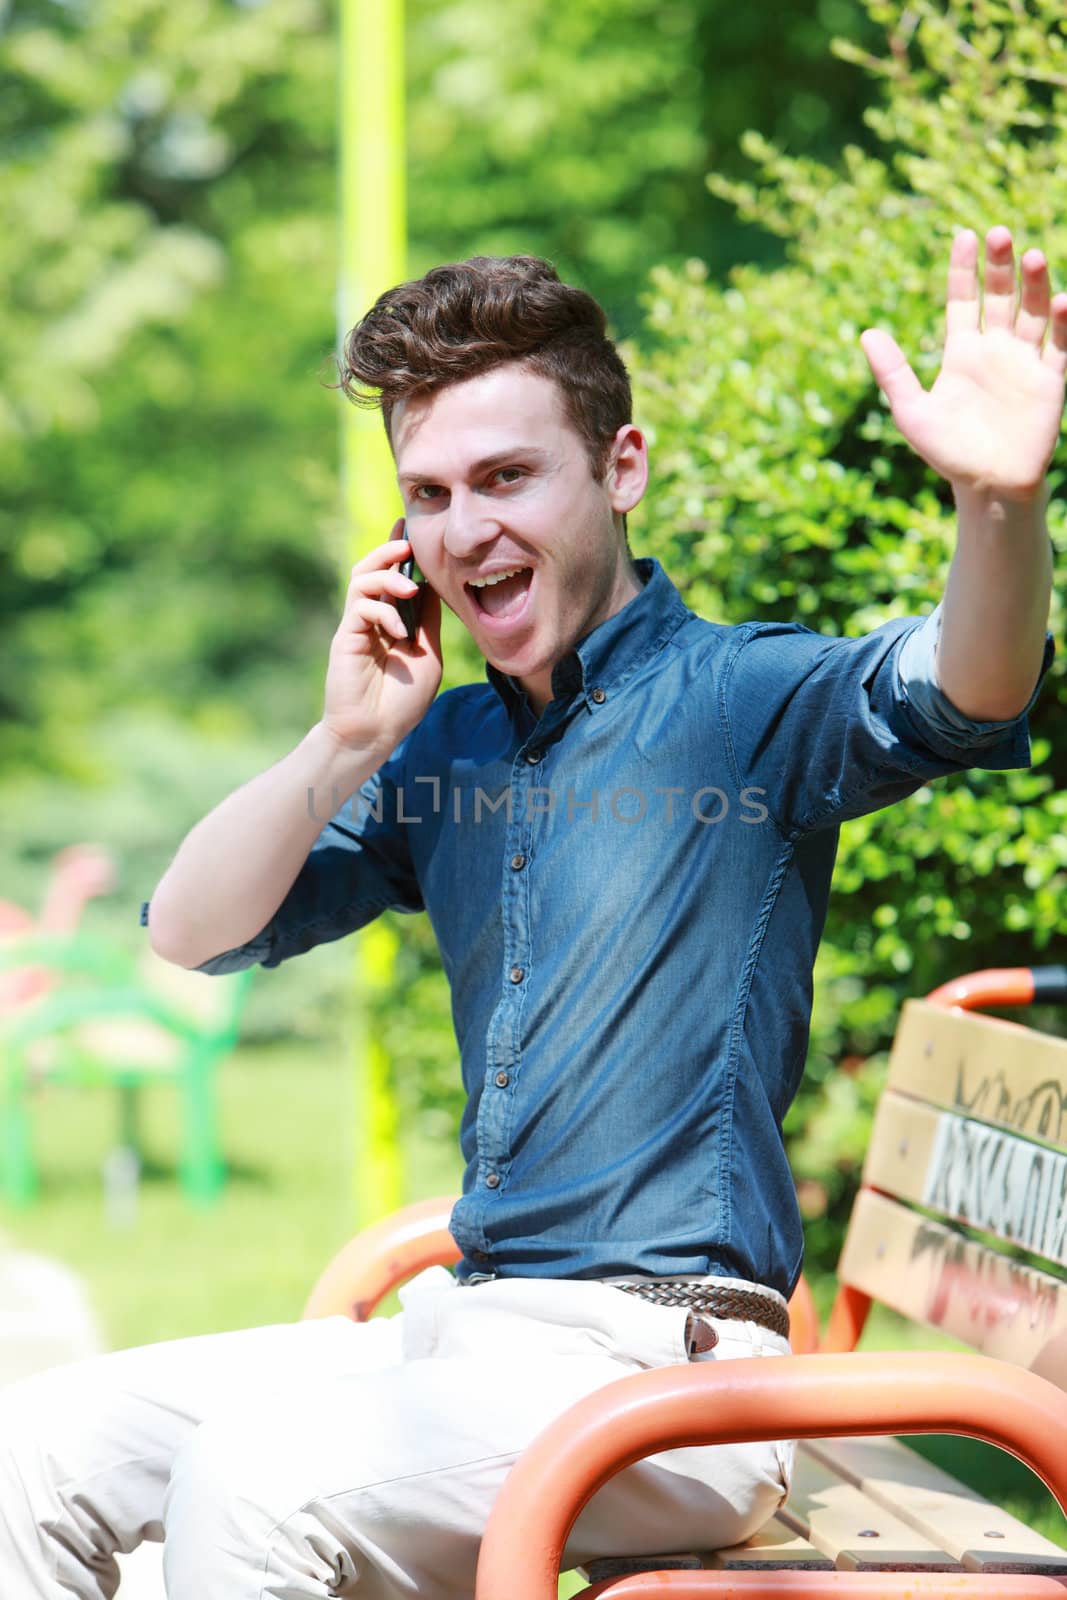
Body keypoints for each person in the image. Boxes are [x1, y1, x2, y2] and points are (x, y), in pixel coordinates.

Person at [1, 231, 1061, 1600]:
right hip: (461, 1340)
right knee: (34, 1448)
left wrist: (998, 506)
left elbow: (965, 687)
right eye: (429, 494)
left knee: (254, 1485)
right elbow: (189, 933)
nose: (463, 529)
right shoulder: (436, 751)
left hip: (668, 1379)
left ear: (621, 471)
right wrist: (340, 746)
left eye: (507, 476)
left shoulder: (743, 701)